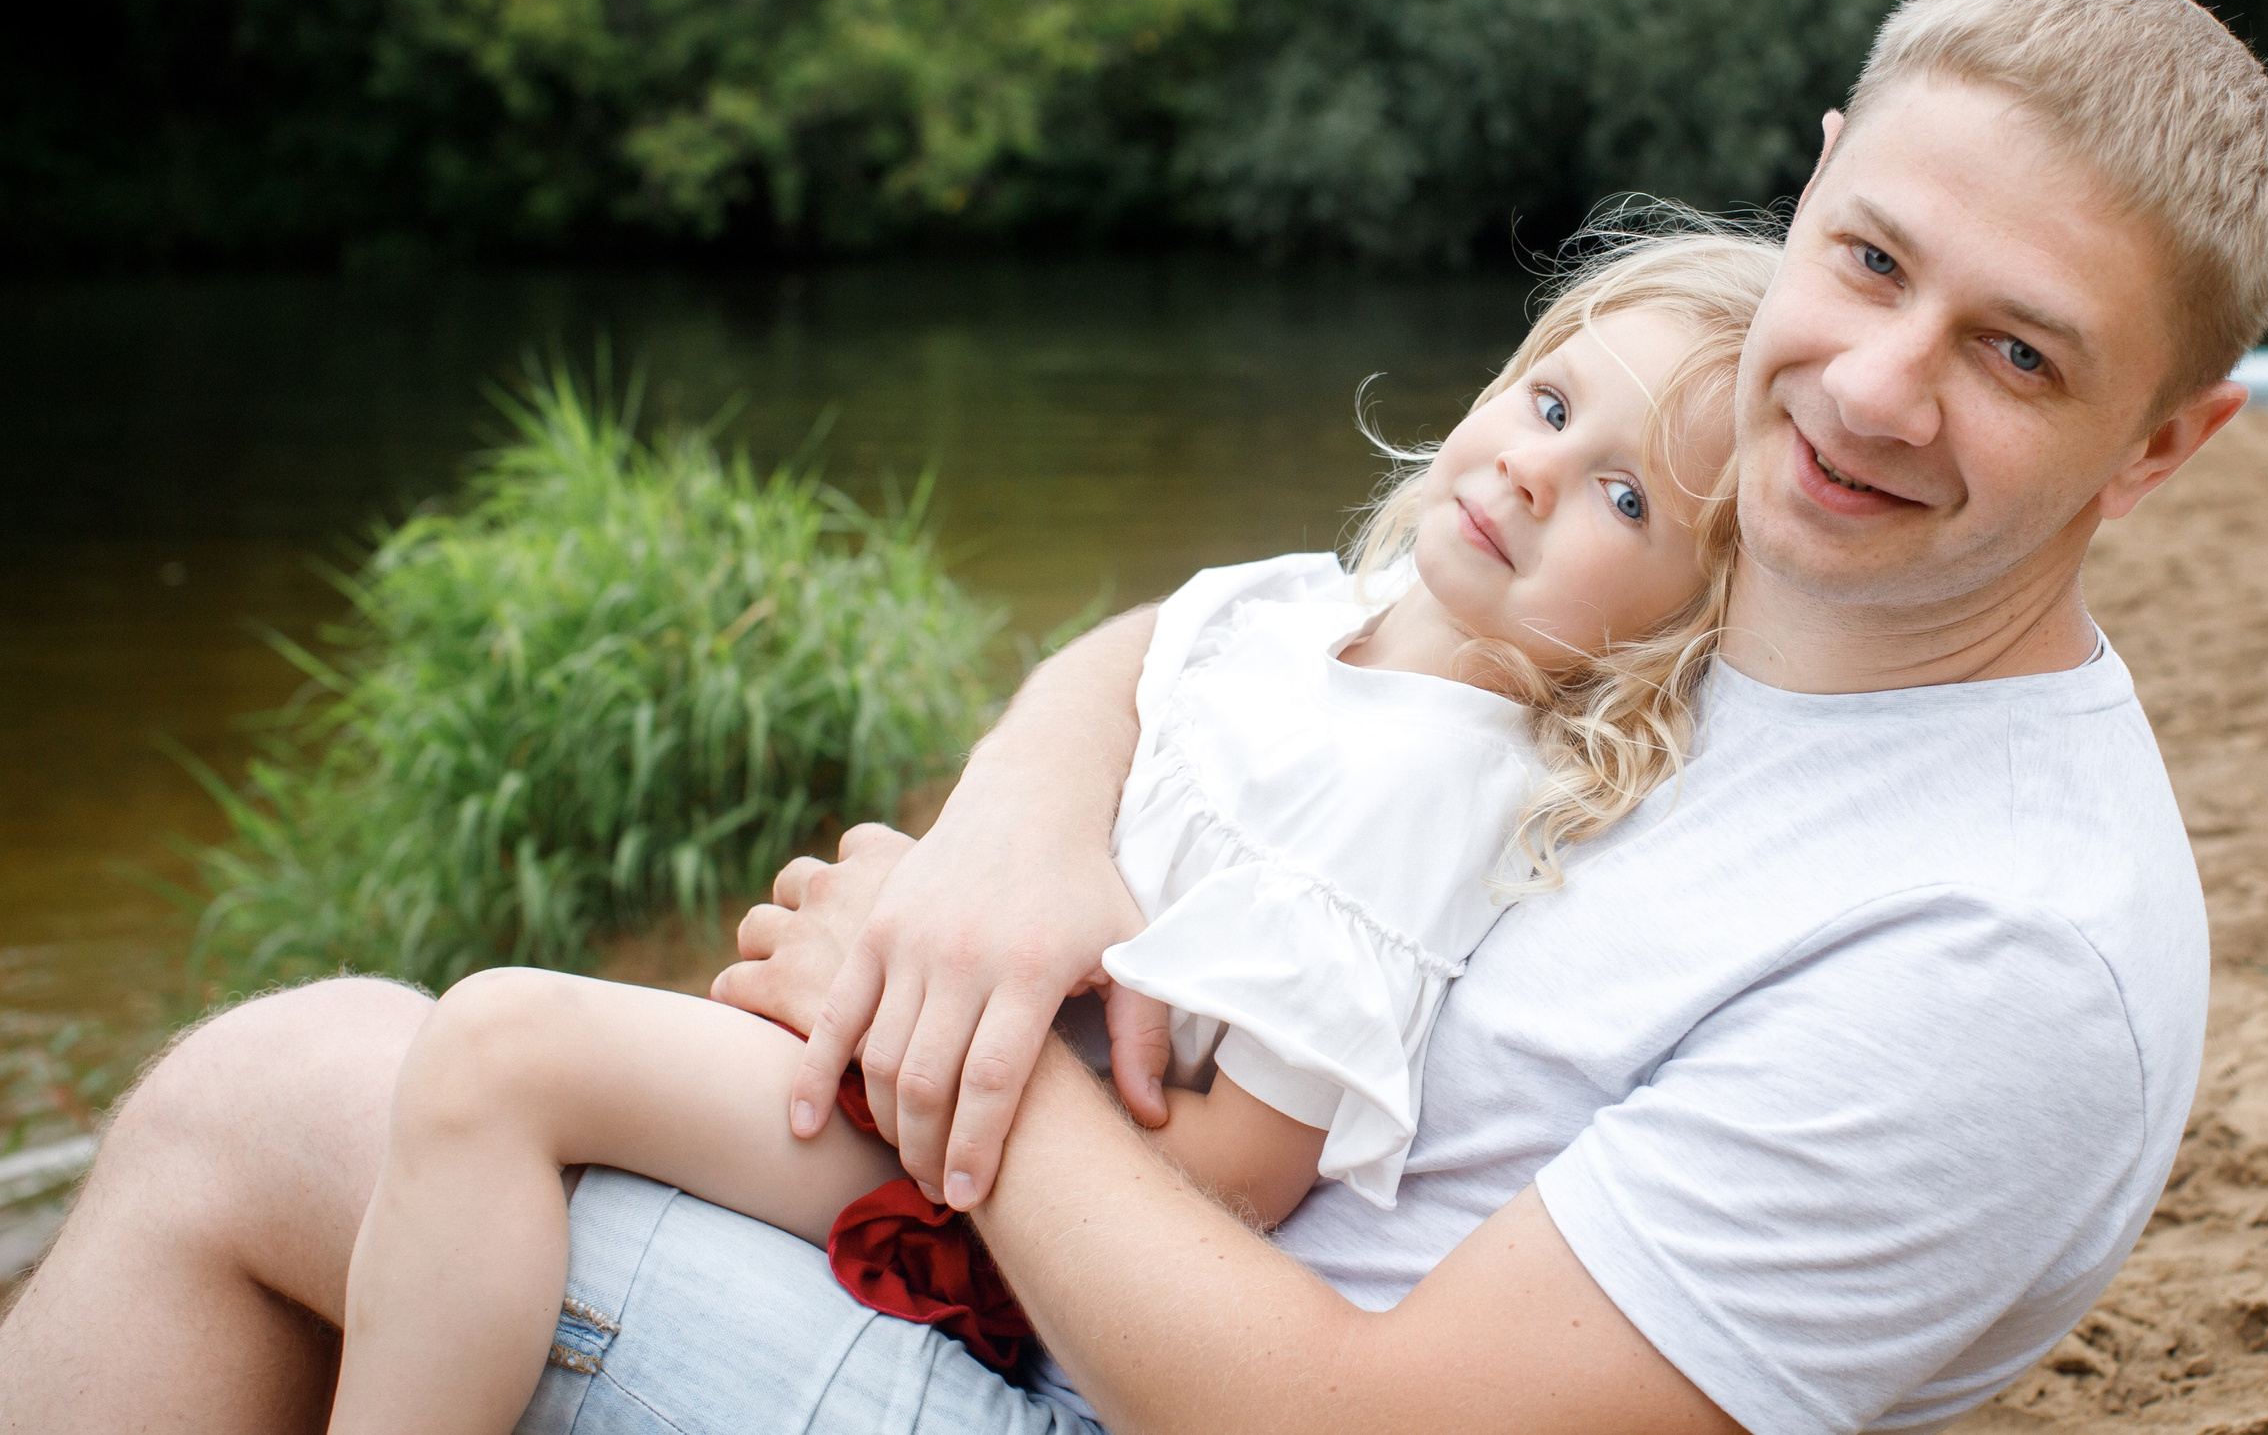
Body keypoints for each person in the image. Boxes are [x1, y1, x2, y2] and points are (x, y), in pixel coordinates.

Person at [0, 0, 2268, 1435]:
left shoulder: (1995, 952)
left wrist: (961, 1060)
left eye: (2014, 352)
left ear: (2166, 442)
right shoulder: (1739, 571)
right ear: (1808, 190)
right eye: (1870, 262)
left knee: (269, 1100)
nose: (1877, 388)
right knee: (388, 1155)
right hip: (1062, 1278)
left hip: (1122, 1386)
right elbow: (1264, 645)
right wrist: (1018, 835)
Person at [319, 233, 1775, 1435]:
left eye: (1627, 496)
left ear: (1675, 630)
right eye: (1552, 404)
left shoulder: (1437, 790)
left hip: (986, 1180)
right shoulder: (1294, 605)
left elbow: (1239, 1178)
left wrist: (931, 1048)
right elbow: (1085, 750)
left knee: (495, 1049)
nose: (1538, 467)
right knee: (500, 1068)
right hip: (938, 1077)